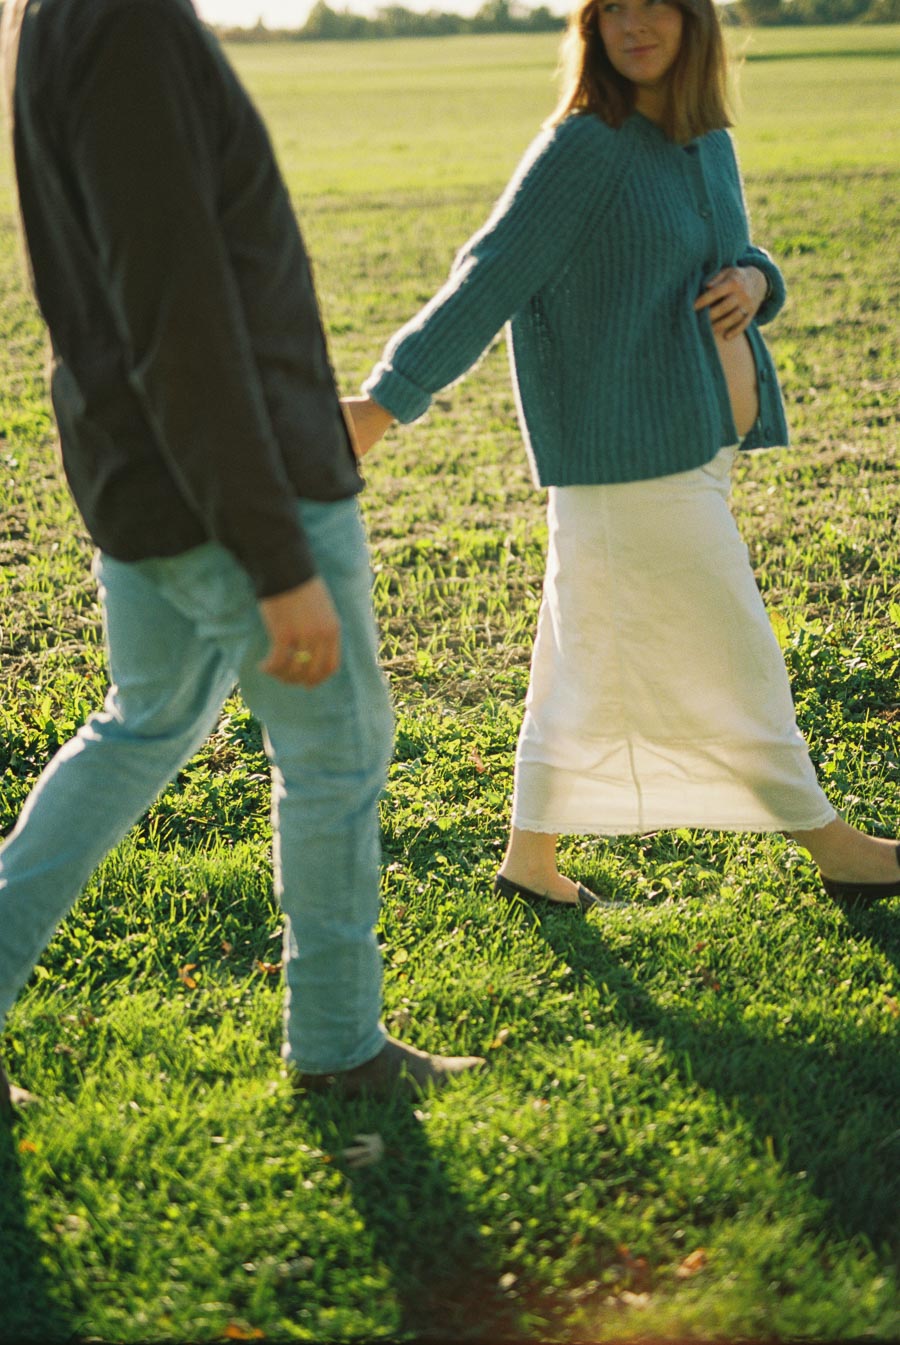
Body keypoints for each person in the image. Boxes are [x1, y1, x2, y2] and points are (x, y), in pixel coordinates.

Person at [0, 0, 483, 1121]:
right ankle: (337, 1046)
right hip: (231, 486)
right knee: (338, 749)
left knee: (140, 729)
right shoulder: (126, 27)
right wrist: (277, 560)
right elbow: (180, 313)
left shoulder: (62, 20)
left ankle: (336, 1037)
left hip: (148, 473)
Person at [344, 0, 900, 912]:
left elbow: (730, 253)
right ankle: (832, 843)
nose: (635, 24)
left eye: (656, 5)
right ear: (591, 27)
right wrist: (383, 403)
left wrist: (762, 279)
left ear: (694, 19)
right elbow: (489, 277)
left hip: (695, 447)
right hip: (627, 462)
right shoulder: (585, 147)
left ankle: (530, 856)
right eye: (614, 9)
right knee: (735, 647)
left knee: (580, 655)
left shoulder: (699, 136)